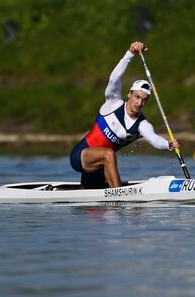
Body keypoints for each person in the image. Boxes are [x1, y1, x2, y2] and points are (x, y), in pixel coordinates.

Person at [69, 41, 180, 189]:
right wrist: (130, 54)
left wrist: (168, 145)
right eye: (137, 97)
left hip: (100, 166)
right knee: (108, 154)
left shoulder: (142, 125)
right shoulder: (113, 103)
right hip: (81, 156)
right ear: (129, 94)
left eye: (144, 100)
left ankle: (55, 193)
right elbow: (114, 79)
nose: (139, 103)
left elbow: (154, 139)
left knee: (93, 198)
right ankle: (119, 195)